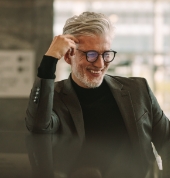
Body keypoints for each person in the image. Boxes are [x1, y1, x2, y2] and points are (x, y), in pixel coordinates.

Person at [25, 12, 170, 178]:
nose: (100, 64)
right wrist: (49, 61)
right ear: (68, 56)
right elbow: (38, 126)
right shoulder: (55, 97)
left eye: (106, 54)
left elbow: (167, 141)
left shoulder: (138, 89)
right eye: (91, 54)